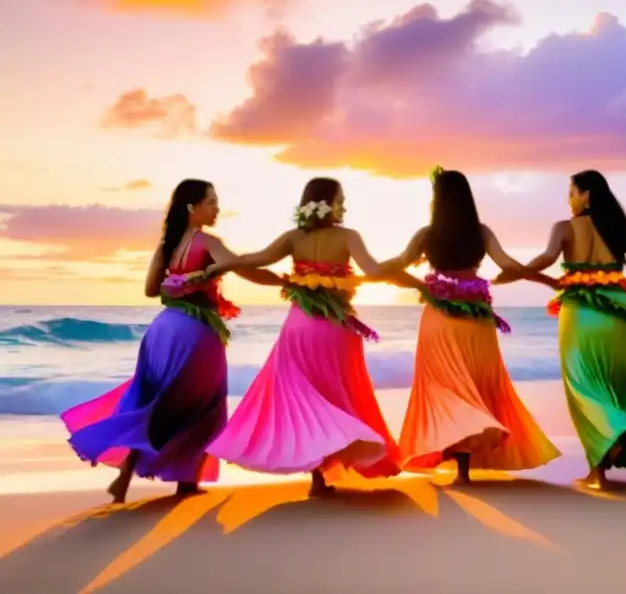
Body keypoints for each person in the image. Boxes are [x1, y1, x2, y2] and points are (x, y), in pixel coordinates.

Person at [61, 180, 282, 504]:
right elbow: (241, 267)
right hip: (196, 333)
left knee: (156, 402)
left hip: (162, 331)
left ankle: (126, 475)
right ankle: (186, 483)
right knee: (202, 407)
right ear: (192, 208)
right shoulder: (206, 241)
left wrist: (178, 282)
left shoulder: (167, 246)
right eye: (211, 202)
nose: (216, 208)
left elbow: (152, 290)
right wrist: (282, 280)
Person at [203, 177, 417, 495]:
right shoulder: (348, 236)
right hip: (336, 328)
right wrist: (406, 259)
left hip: (300, 326)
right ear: (328, 203)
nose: (344, 205)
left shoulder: (293, 237)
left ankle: (317, 475)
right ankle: (334, 463)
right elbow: (373, 270)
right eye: (341, 199)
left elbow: (253, 260)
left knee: (308, 398)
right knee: (336, 394)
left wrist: (220, 265)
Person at [496, 170, 626, 491]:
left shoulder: (565, 227)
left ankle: (602, 463)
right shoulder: (620, 230)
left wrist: (518, 272)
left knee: (581, 385)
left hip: (582, 309)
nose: (568, 199)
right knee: (613, 381)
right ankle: (617, 433)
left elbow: (547, 258)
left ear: (586, 195)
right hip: (618, 309)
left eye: (571, 192)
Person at [381, 167, 560, 485]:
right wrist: (532, 277)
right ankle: (465, 464)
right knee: (473, 386)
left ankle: (461, 465)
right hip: (477, 320)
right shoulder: (481, 232)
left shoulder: (426, 235)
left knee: (446, 387)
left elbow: (396, 266)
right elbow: (508, 265)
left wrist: (417, 285)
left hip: (440, 320)